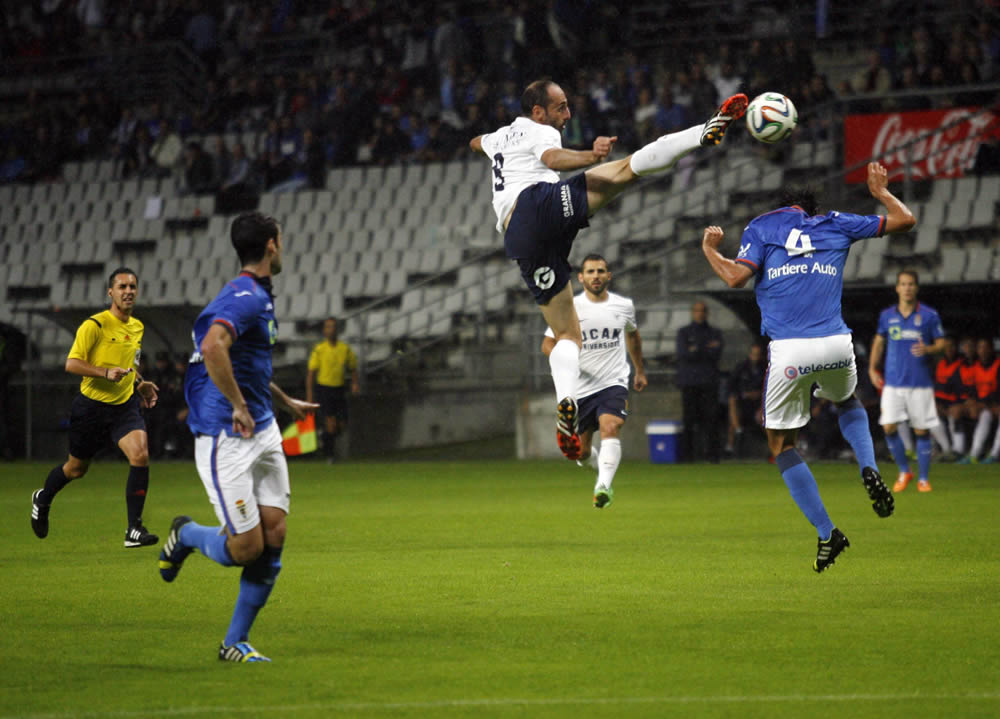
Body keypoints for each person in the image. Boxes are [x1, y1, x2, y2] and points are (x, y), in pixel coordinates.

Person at [470, 79, 747, 462]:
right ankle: (703, 132)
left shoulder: (499, 137)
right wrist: (591, 155)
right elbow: (552, 159)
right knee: (627, 169)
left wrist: (488, 143)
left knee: (567, 335)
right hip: (538, 206)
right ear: (537, 112)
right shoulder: (539, 130)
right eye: (561, 107)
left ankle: (566, 403)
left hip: (520, 238)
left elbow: (476, 142)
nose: (568, 114)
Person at [700, 161, 916, 573]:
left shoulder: (763, 226)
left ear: (783, 206)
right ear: (811, 209)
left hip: (790, 351)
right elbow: (906, 219)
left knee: (781, 445)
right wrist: (880, 193)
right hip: (836, 343)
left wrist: (710, 249)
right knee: (847, 400)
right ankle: (869, 468)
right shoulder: (836, 222)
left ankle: (827, 533)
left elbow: (734, 278)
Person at [158, 212, 318, 663]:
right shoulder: (245, 297)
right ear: (271, 245)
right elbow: (213, 347)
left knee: (275, 533)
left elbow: (245, 365)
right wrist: (238, 406)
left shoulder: (257, 297)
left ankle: (234, 643)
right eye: (281, 239)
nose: (282, 246)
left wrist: (282, 401)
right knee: (246, 548)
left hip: (262, 428)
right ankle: (187, 534)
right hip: (225, 435)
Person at [30, 268, 160, 547]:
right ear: (110, 292)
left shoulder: (137, 327)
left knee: (140, 455)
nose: (128, 291)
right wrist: (104, 372)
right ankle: (43, 498)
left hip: (124, 407)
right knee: (76, 469)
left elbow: (128, 364)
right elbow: (71, 363)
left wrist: (140, 383)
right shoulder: (95, 325)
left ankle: (134, 530)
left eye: (132, 286)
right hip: (91, 408)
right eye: (122, 286)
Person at [541, 254, 647, 508]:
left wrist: (639, 370)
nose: (596, 276)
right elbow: (547, 344)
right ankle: (599, 468)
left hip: (612, 382)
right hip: (581, 388)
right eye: (590, 271)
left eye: (600, 271)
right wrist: (569, 363)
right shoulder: (569, 309)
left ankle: (603, 486)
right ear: (581, 278)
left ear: (609, 275)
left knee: (611, 426)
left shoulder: (624, 306)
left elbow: (633, 336)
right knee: (581, 452)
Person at [868, 269, 947, 493]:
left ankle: (923, 479)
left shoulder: (929, 315)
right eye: (903, 284)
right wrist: (872, 368)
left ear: (917, 288)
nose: (907, 288)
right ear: (897, 288)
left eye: (911, 284)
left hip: (920, 382)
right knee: (889, 426)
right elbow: (879, 342)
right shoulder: (887, 316)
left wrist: (928, 349)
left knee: (921, 430)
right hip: (893, 382)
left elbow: (942, 344)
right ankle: (904, 471)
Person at [305, 317, 360, 463]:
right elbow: (311, 373)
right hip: (324, 389)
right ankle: (330, 455)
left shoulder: (344, 349)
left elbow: (353, 367)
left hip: (339, 389)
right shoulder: (319, 349)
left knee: (341, 425)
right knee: (331, 423)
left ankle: (323, 436)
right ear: (324, 330)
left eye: (334, 327)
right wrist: (310, 395)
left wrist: (355, 383)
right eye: (328, 327)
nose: (331, 330)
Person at [676, 301, 724, 462]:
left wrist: (696, 348)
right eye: (697, 310)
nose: (700, 314)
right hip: (689, 382)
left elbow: (716, 353)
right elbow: (684, 354)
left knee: (711, 419)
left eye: (702, 311)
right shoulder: (684, 332)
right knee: (689, 419)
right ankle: (688, 455)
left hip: (709, 381)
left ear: (706, 313)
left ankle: (712, 455)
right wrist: (705, 348)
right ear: (692, 312)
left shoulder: (715, 332)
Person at [960, 338, 1000, 463]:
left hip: (995, 404)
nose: (982, 350)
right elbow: (973, 388)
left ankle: (994, 454)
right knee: (984, 416)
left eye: (985, 347)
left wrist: (986, 404)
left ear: (991, 349)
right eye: (980, 347)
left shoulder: (998, 364)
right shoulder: (976, 366)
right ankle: (974, 454)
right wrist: (972, 401)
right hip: (986, 406)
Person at [726, 340, 767, 458]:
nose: (755, 357)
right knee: (732, 406)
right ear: (750, 354)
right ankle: (736, 435)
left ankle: (776, 447)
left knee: (765, 420)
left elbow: (770, 389)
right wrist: (744, 394)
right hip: (743, 403)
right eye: (754, 354)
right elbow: (731, 387)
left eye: (758, 354)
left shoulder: (765, 368)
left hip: (759, 404)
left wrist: (760, 400)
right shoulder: (741, 368)